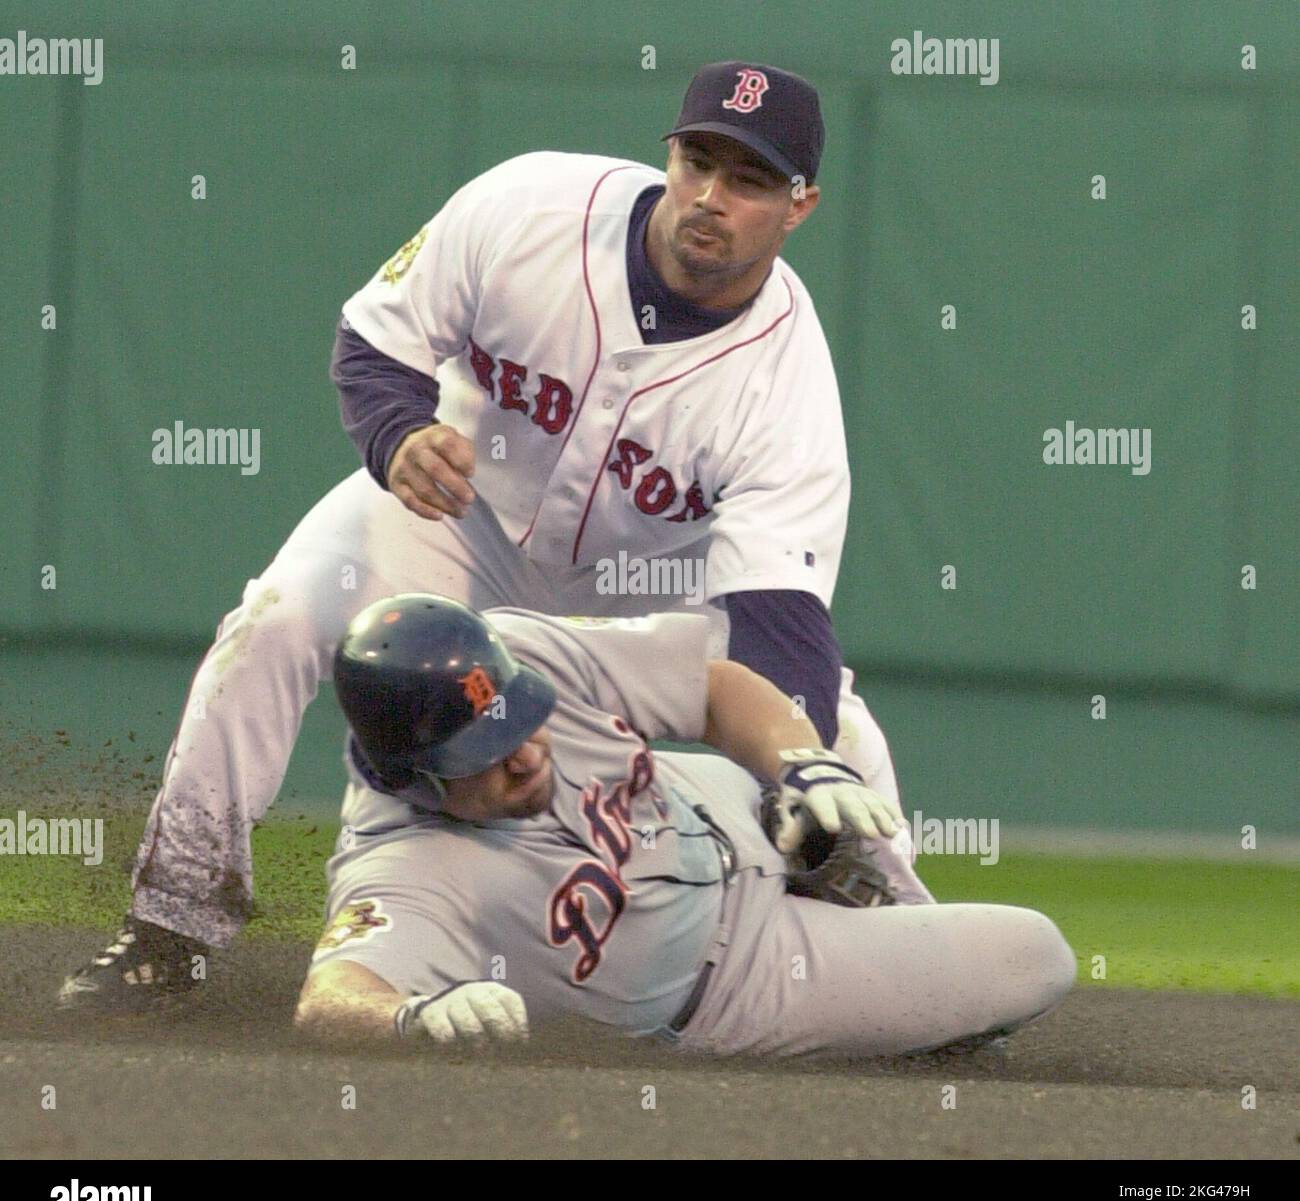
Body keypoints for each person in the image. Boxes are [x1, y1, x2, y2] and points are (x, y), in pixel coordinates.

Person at [59, 60, 933, 1014]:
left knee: (840, 744)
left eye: (750, 179)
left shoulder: (786, 382)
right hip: (454, 515)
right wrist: (396, 436)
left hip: (641, 590)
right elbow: (373, 342)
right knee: (275, 620)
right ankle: (173, 924)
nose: (710, 197)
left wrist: (792, 765)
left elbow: (777, 616)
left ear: (800, 205)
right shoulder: (530, 209)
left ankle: (910, 968)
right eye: (697, 160)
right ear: (669, 153)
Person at [294, 595, 1075, 1058]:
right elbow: (330, 999)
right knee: (1035, 954)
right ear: (409, 774)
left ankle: (818, 844)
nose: (527, 751)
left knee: (834, 766)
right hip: (740, 983)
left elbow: (712, 689)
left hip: (720, 802)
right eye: (487, 750)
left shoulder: (522, 645)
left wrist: (804, 761)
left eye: (523, 717)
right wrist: (407, 1017)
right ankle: (889, 983)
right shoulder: (402, 863)